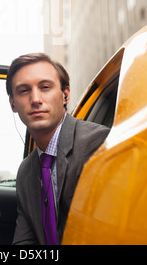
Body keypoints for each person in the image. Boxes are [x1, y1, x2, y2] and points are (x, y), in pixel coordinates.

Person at [6, 53, 110, 245]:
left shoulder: (99, 144)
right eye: (24, 91)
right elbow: (24, 243)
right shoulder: (26, 172)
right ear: (13, 103)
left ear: (65, 95)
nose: (35, 99)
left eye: (45, 87)